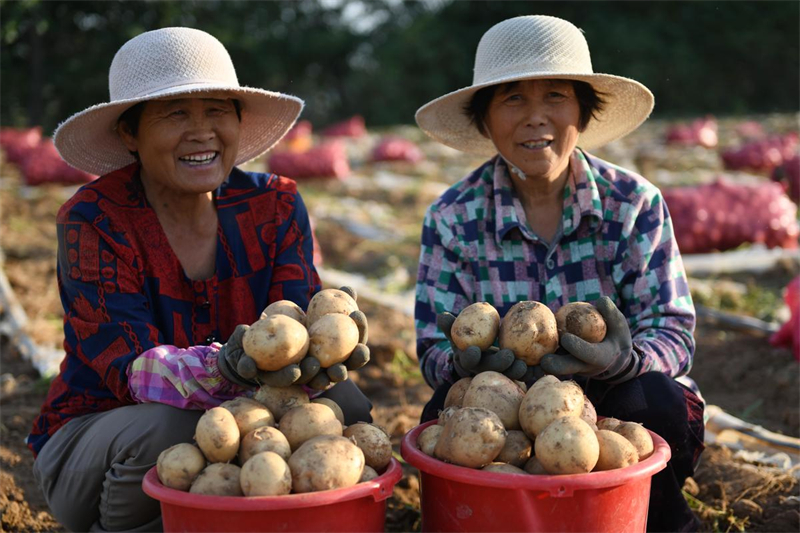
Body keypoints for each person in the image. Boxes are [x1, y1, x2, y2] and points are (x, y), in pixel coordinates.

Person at [28, 27, 372, 532]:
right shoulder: (95, 220)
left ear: (238, 121)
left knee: (346, 404)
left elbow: (294, 325)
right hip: (102, 433)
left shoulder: (275, 205)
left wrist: (321, 348)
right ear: (129, 134)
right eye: (175, 114)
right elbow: (129, 369)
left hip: (244, 421)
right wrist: (226, 366)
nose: (201, 132)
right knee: (169, 427)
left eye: (216, 111)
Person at [413, 15, 704, 533]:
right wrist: (460, 363)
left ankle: (655, 515)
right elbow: (432, 346)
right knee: (441, 414)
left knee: (656, 401)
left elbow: (673, 328)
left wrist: (624, 360)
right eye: (513, 99)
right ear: (485, 120)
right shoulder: (452, 217)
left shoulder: (633, 204)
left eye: (555, 96)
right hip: (500, 406)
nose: (536, 118)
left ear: (583, 112)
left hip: (614, 395)